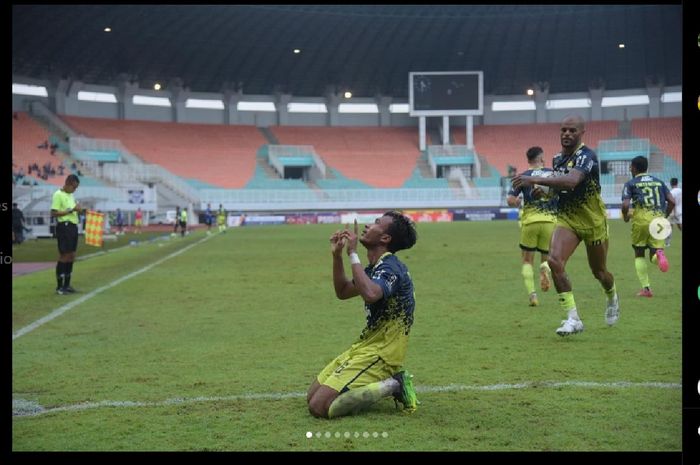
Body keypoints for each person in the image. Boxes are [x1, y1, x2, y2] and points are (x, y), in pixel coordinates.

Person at [513, 115, 619, 335]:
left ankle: (612, 296)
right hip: (567, 219)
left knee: (599, 272)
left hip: (592, 221)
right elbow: (560, 187)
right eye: (563, 130)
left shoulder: (587, 156)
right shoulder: (557, 159)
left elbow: (571, 181)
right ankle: (573, 318)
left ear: (582, 133)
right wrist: (545, 192)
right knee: (554, 261)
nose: (567, 134)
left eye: (572, 130)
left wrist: (534, 180)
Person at [307, 211, 419, 419]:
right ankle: (384, 384)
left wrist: (353, 254)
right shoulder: (373, 269)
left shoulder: (391, 267)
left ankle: (395, 384)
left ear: (385, 238)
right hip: (366, 346)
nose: (368, 226)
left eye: (376, 223)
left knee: (319, 406)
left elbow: (370, 294)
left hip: (383, 353)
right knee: (312, 396)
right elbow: (343, 292)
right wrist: (337, 256)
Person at [507, 146, 556, 307]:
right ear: (542, 158)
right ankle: (545, 268)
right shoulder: (552, 174)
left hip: (530, 221)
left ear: (528, 160)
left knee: (527, 260)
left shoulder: (522, 177)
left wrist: (518, 201)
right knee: (546, 256)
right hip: (550, 222)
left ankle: (533, 295)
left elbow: (510, 200)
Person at [621, 156, 675, 297]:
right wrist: (664, 216)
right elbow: (672, 201)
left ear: (634, 168)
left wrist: (626, 216)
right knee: (655, 251)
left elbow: (626, 204)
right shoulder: (659, 182)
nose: (630, 169)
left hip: (641, 221)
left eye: (630, 167)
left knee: (639, 254)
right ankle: (659, 255)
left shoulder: (631, 183)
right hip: (658, 220)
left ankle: (646, 289)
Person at [51, 174, 83, 294]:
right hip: (64, 227)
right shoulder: (58, 195)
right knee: (64, 255)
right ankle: (59, 287)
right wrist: (71, 210)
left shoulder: (70, 195)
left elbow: (73, 210)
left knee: (72, 255)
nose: (75, 189)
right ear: (68, 183)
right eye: (74, 187)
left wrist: (79, 210)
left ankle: (67, 284)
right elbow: (54, 213)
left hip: (72, 226)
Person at [666, 177, 682, 247]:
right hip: (680, 211)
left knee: (669, 227)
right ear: (677, 183)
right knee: (680, 227)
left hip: (673, 211)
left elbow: (672, 202)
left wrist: (672, 212)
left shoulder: (671, 192)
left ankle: (667, 243)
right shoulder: (680, 190)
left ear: (671, 183)